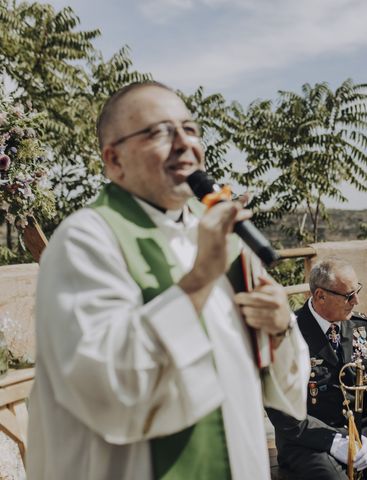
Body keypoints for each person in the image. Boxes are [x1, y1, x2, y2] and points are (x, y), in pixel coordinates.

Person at [27, 81, 310, 480]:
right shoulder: (84, 241)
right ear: (114, 160)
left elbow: (268, 375)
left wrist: (279, 329)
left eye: (190, 129)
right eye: (158, 132)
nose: (183, 143)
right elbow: (106, 384)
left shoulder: (217, 232)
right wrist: (197, 282)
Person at [266, 259, 367, 480]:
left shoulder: (360, 326)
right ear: (320, 296)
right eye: (349, 296)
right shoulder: (289, 333)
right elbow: (280, 409)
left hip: (360, 433)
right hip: (308, 440)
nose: (356, 301)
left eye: (356, 291)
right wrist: (331, 440)